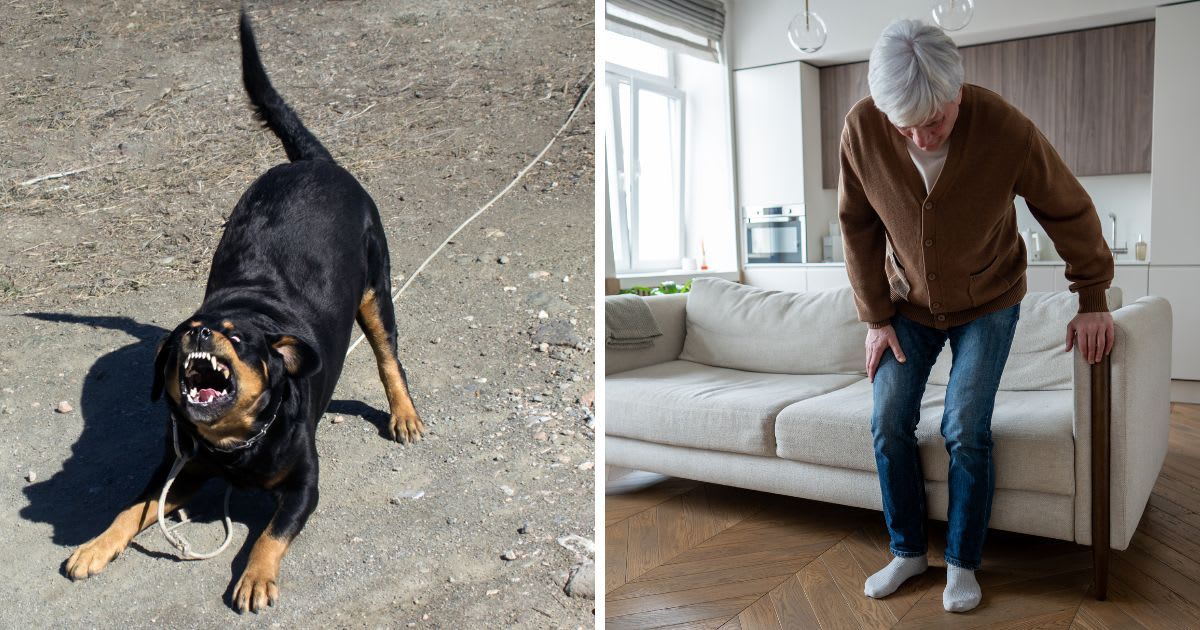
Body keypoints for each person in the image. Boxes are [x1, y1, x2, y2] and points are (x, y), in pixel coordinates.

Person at [838, 19, 1116, 613]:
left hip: (989, 301)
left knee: (964, 427)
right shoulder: (862, 128)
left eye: (933, 121)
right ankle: (908, 551)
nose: (920, 137)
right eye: (904, 125)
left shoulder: (1005, 129)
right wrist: (875, 317)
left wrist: (1092, 296)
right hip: (906, 305)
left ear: (957, 93)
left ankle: (962, 565)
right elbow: (857, 224)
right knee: (887, 420)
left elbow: (1068, 209)